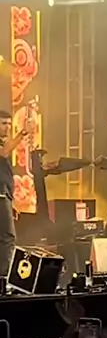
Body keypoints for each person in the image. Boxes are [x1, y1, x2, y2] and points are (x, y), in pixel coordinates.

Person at [0, 109, 33, 277]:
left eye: (8, 124)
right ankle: (4, 277)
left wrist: (10, 200)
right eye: (3, 123)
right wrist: (23, 132)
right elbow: (3, 152)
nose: (7, 127)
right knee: (8, 237)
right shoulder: (3, 146)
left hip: (4, 195)